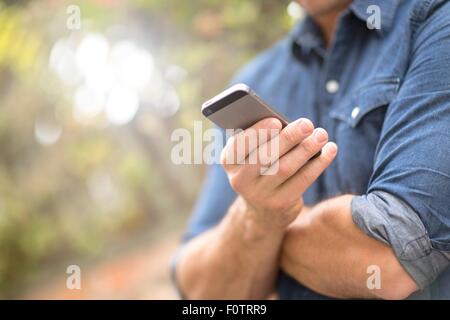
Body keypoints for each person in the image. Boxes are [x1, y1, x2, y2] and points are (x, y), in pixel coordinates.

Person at [173, 0, 450, 299]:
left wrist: (264, 233)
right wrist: (258, 217)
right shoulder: (256, 79)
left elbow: (392, 260)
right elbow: (202, 293)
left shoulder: (434, 16)